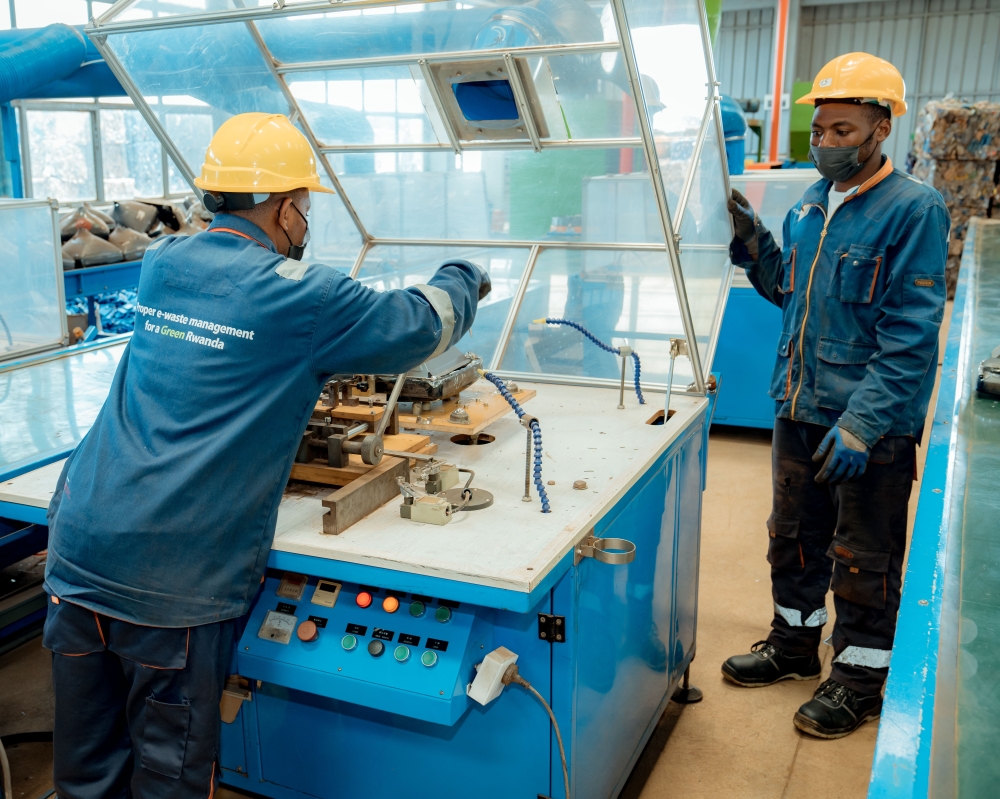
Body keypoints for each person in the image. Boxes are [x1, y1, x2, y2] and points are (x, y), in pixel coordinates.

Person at [41, 112, 491, 797]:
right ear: (286, 208)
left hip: (78, 550)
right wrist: (464, 274)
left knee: (87, 770)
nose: (305, 224)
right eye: (305, 209)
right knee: (168, 775)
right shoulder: (301, 294)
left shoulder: (162, 264)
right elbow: (418, 327)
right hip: (173, 579)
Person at [721, 53, 949, 739]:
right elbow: (793, 293)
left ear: (882, 129)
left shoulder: (915, 210)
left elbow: (911, 335)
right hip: (799, 407)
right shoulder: (811, 206)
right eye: (819, 129)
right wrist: (752, 243)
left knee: (863, 553)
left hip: (866, 425)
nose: (825, 142)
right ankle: (793, 645)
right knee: (793, 539)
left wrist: (863, 425)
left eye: (843, 130)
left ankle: (857, 678)